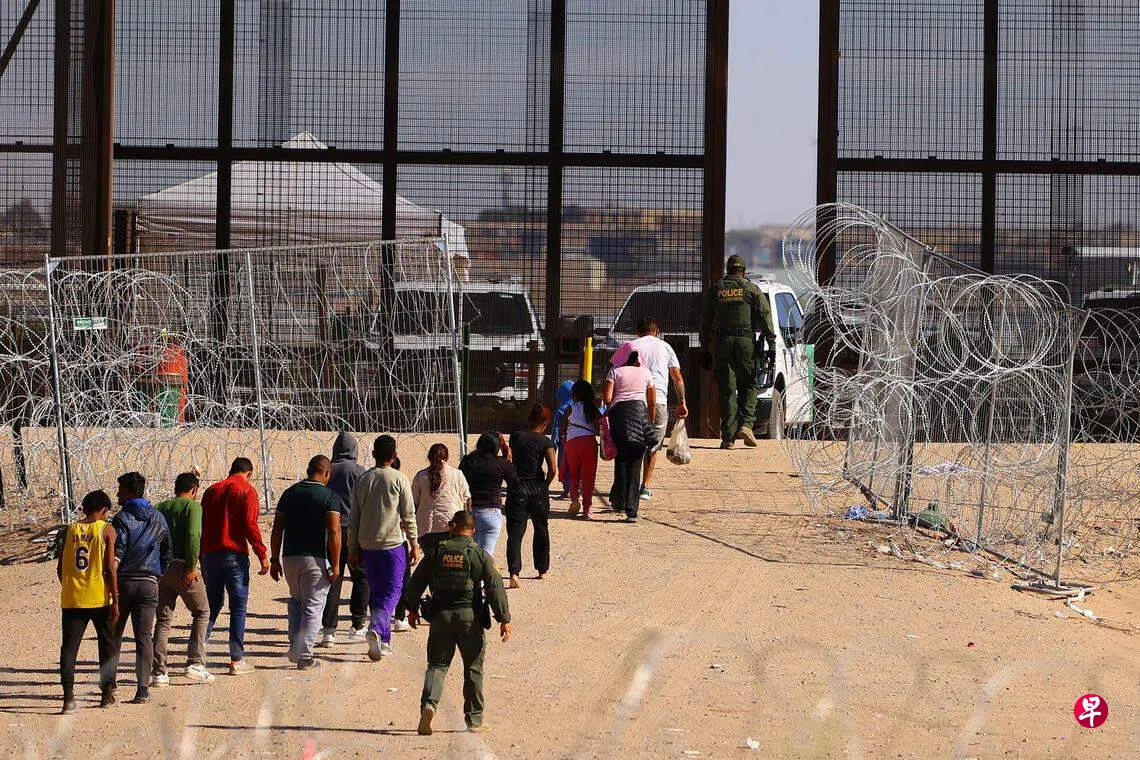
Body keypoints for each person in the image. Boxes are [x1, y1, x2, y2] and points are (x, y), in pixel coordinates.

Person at [403, 510, 511, 736]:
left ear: (452, 526)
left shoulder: (437, 552)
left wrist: (411, 609)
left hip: (441, 617)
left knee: (437, 666)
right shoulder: (478, 554)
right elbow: (495, 586)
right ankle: (474, 719)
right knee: (473, 668)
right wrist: (503, 618)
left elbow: (417, 580)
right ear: (473, 530)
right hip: (470, 619)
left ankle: (429, 706)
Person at [348, 434, 418, 661]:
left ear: (373, 454)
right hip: (392, 544)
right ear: (394, 456)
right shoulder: (399, 479)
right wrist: (414, 543)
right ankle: (377, 627)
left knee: (377, 592)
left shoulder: (363, 479)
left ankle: (384, 641)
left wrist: (352, 548)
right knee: (394, 590)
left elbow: (354, 517)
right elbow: (408, 515)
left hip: (368, 545)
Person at [270, 455, 341, 669]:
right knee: (313, 606)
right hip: (316, 558)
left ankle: (294, 646)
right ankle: (304, 655)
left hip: (289, 557)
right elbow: (334, 531)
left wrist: (274, 559)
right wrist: (336, 563)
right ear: (327, 473)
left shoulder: (289, 493)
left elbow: (277, 528)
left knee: (296, 602)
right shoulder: (329, 496)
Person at [200, 457, 269, 676]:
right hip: (234, 555)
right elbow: (250, 524)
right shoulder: (247, 491)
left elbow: (202, 524)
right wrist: (262, 554)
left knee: (211, 605)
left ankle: (198, 653)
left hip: (210, 554)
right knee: (238, 608)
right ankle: (236, 660)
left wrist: (200, 557)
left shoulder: (212, 490)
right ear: (249, 474)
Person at [110, 471, 172, 704]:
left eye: (120, 491)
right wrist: (157, 575)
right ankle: (142, 688)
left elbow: (118, 549)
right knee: (144, 637)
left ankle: (110, 685)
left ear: (128, 493)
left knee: (113, 634)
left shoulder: (121, 518)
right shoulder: (158, 517)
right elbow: (167, 552)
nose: (118, 495)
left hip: (124, 581)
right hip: (149, 582)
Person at [610, 316, 689, 499]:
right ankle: (644, 486)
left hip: (632, 401)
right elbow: (677, 377)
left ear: (637, 332)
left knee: (629, 443)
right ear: (657, 331)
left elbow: (615, 371)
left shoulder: (630, 346)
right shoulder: (666, 347)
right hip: (659, 400)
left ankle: (625, 485)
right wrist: (682, 402)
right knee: (653, 445)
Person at [702, 253, 775, 449]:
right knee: (749, 384)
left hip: (722, 344)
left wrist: (704, 348)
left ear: (728, 270)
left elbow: (705, 321)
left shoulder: (716, 289)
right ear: (743, 271)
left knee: (727, 390)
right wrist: (771, 342)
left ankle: (728, 438)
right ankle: (747, 425)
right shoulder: (751, 288)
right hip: (745, 344)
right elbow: (765, 315)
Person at [57, 490, 119, 714]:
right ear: (103, 509)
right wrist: (115, 598)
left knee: (69, 649)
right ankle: (106, 694)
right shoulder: (106, 529)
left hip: (73, 598)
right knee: (107, 645)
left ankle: (68, 698)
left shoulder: (69, 529)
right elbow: (110, 567)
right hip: (99, 597)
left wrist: (71, 586)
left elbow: (60, 567)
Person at [152, 472, 214, 686]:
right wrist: (192, 566)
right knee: (202, 612)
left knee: (163, 620)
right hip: (183, 565)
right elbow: (193, 535)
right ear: (194, 489)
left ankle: (159, 671)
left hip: (162, 568)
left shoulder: (160, 507)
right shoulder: (192, 507)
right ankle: (195, 662)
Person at [318, 431, 370, 647]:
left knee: (333, 577)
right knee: (361, 578)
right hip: (355, 530)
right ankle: (357, 624)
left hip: (331, 529)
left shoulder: (327, 470)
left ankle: (329, 629)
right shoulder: (360, 471)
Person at [505, 405, 556, 588]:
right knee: (541, 528)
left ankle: (514, 572)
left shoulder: (516, 436)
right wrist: (545, 484)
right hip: (537, 487)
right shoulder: (545, 442)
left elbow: (508, 458)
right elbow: (553, 469)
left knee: (515, 532)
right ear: (546, 422)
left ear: (529, 419)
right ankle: (542, 570)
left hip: (518, 487)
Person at [603, 351, 656, 522]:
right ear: (638, 361)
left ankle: (619, 502)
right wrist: (649, 421)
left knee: (621, 460)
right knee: (635, 464)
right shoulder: (646, 373)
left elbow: (607, 398)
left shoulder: (615, 372)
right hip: (640, 416)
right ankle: (632, 510)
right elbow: (652, 402)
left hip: (620, 418)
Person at [458, 431, 520, 555]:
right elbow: (515, 483)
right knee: (485, 557)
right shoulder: (501, 463)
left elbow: (460, 483)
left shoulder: (468, 461)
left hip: (470, 511)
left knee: (468, 555)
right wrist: (508, 460)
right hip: (491, 511)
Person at [412, 443, 472, 557]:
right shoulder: (457, 474)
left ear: (429, 457)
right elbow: (467, 498)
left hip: (426, 528)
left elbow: (413, 503)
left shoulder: (420, 476)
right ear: (447, 457)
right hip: (451, 527)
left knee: (431, 563)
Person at [561, 380, 603, 519]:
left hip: (572, 444)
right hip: (589, 444)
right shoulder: (592, 409)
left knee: (574, 474)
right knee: (588, 477)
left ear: (576, 395)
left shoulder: (570, 408)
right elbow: (600, 423)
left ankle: (574, 500)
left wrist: (565, 434)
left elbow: (562, 426)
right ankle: (587, 509)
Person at [551, 379, 575, 499]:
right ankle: (575, 488)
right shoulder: (578, 406)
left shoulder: (561, 409)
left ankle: (567, 489)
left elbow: (556, 428)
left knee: (564, 465)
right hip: (578, 440)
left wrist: (553, 444)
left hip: (564, 442)